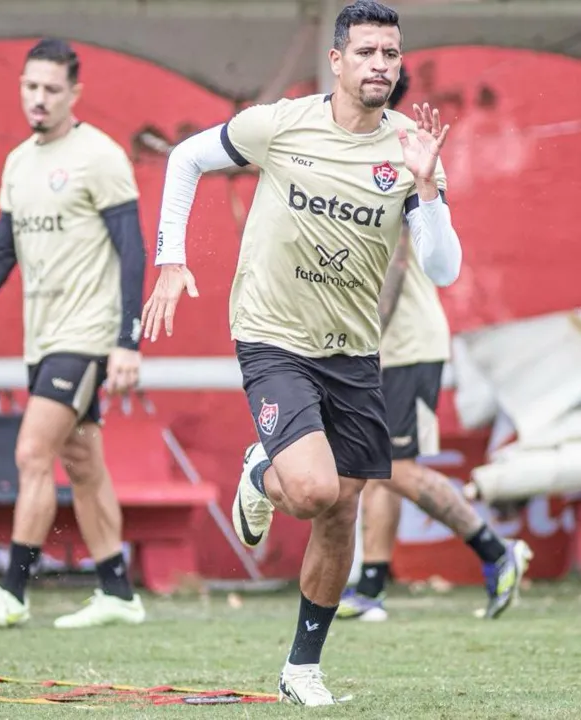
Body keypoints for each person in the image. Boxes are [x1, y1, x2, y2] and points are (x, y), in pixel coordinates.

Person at [142, 0, 463, 705]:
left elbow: (442, 269)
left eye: (390, 54)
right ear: (338, 61)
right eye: (368, 53)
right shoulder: (281, 124)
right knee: (314, 489)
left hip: (352, 351)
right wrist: (170, 258)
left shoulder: (410, 145)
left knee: (339, 509)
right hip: (271, 335)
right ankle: (263, 472)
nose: (381, 65)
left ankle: (301, 670)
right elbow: (187, 157)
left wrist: (426, 190)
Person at [0, 38, 148, 631]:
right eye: (31, 86)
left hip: (86, 335)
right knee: (83, 461)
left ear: (74, 94)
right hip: (43, 337)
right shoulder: (18, 162)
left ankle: (13, 591)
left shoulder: (99, 155)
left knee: (32, 452)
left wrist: (127, 341)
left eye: (52, 89)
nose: (39, 98)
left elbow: (133, 251)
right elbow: (3, 250)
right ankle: (118, 593)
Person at [336, 65, 532, 622]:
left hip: (404, 345)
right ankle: (370, 588)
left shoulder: (397, 152)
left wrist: (364, 337)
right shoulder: (350, 151)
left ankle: (496, 552)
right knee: (377, 467)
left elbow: (398, 262)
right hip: (387, 345)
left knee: (393, 468)